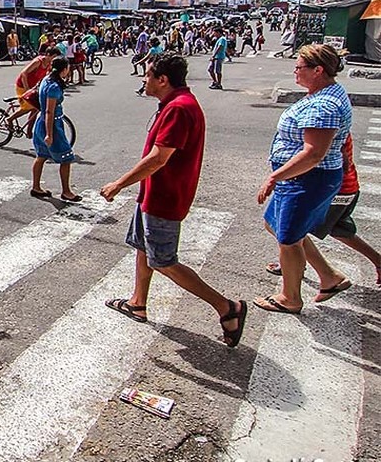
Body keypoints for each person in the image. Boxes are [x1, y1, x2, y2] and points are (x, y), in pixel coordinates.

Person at [99, 52, 247, 347]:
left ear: (162, 79)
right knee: (142, 247)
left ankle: (226, 307)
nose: (144, 80)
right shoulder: (173, 104)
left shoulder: (179, 108)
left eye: (147, 75)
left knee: (164, 261)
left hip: (164, 198)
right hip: (152, 194)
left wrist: (119, 184)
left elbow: (158, 158)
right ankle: (138, 303)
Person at [255, 45, 353, 314]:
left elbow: (313, 154)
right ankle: (329, 276)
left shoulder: (324, 104)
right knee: (275, 225)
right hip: (299, 177)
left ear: (318, 70)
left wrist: (275, 176)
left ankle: (290, 297)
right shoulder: (322, 94)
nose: (295, 72)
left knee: (288, 238)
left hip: (308, 179)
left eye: (299, 67)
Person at [266, 134, 381, 286]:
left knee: (287, 228)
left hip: (333, 190)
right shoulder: (329, 121)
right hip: (345, 188)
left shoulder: (322, 125)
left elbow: (338, 160)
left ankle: (315, 273)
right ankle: (294, 264)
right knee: (339, 230)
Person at [29, 57, 81, 202]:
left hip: (41, 123)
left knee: (41, 156)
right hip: (51, 125)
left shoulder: (46, 79)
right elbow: (49, 112)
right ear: (64, 69)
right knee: (66, 158)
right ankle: (66, 191)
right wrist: (50, 134)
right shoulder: (54, 87)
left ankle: (36, 187)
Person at [8, 46, 54, 130]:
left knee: (36, 107)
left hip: (33, 86)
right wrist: (27, 89)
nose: (54, 59)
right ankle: (10, 119)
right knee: (28, 107)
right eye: (53, 57)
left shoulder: (49, 64)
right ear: (47, 55)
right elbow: (24, 73)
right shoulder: (38, 62)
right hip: (22, 85)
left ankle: (29, 129)